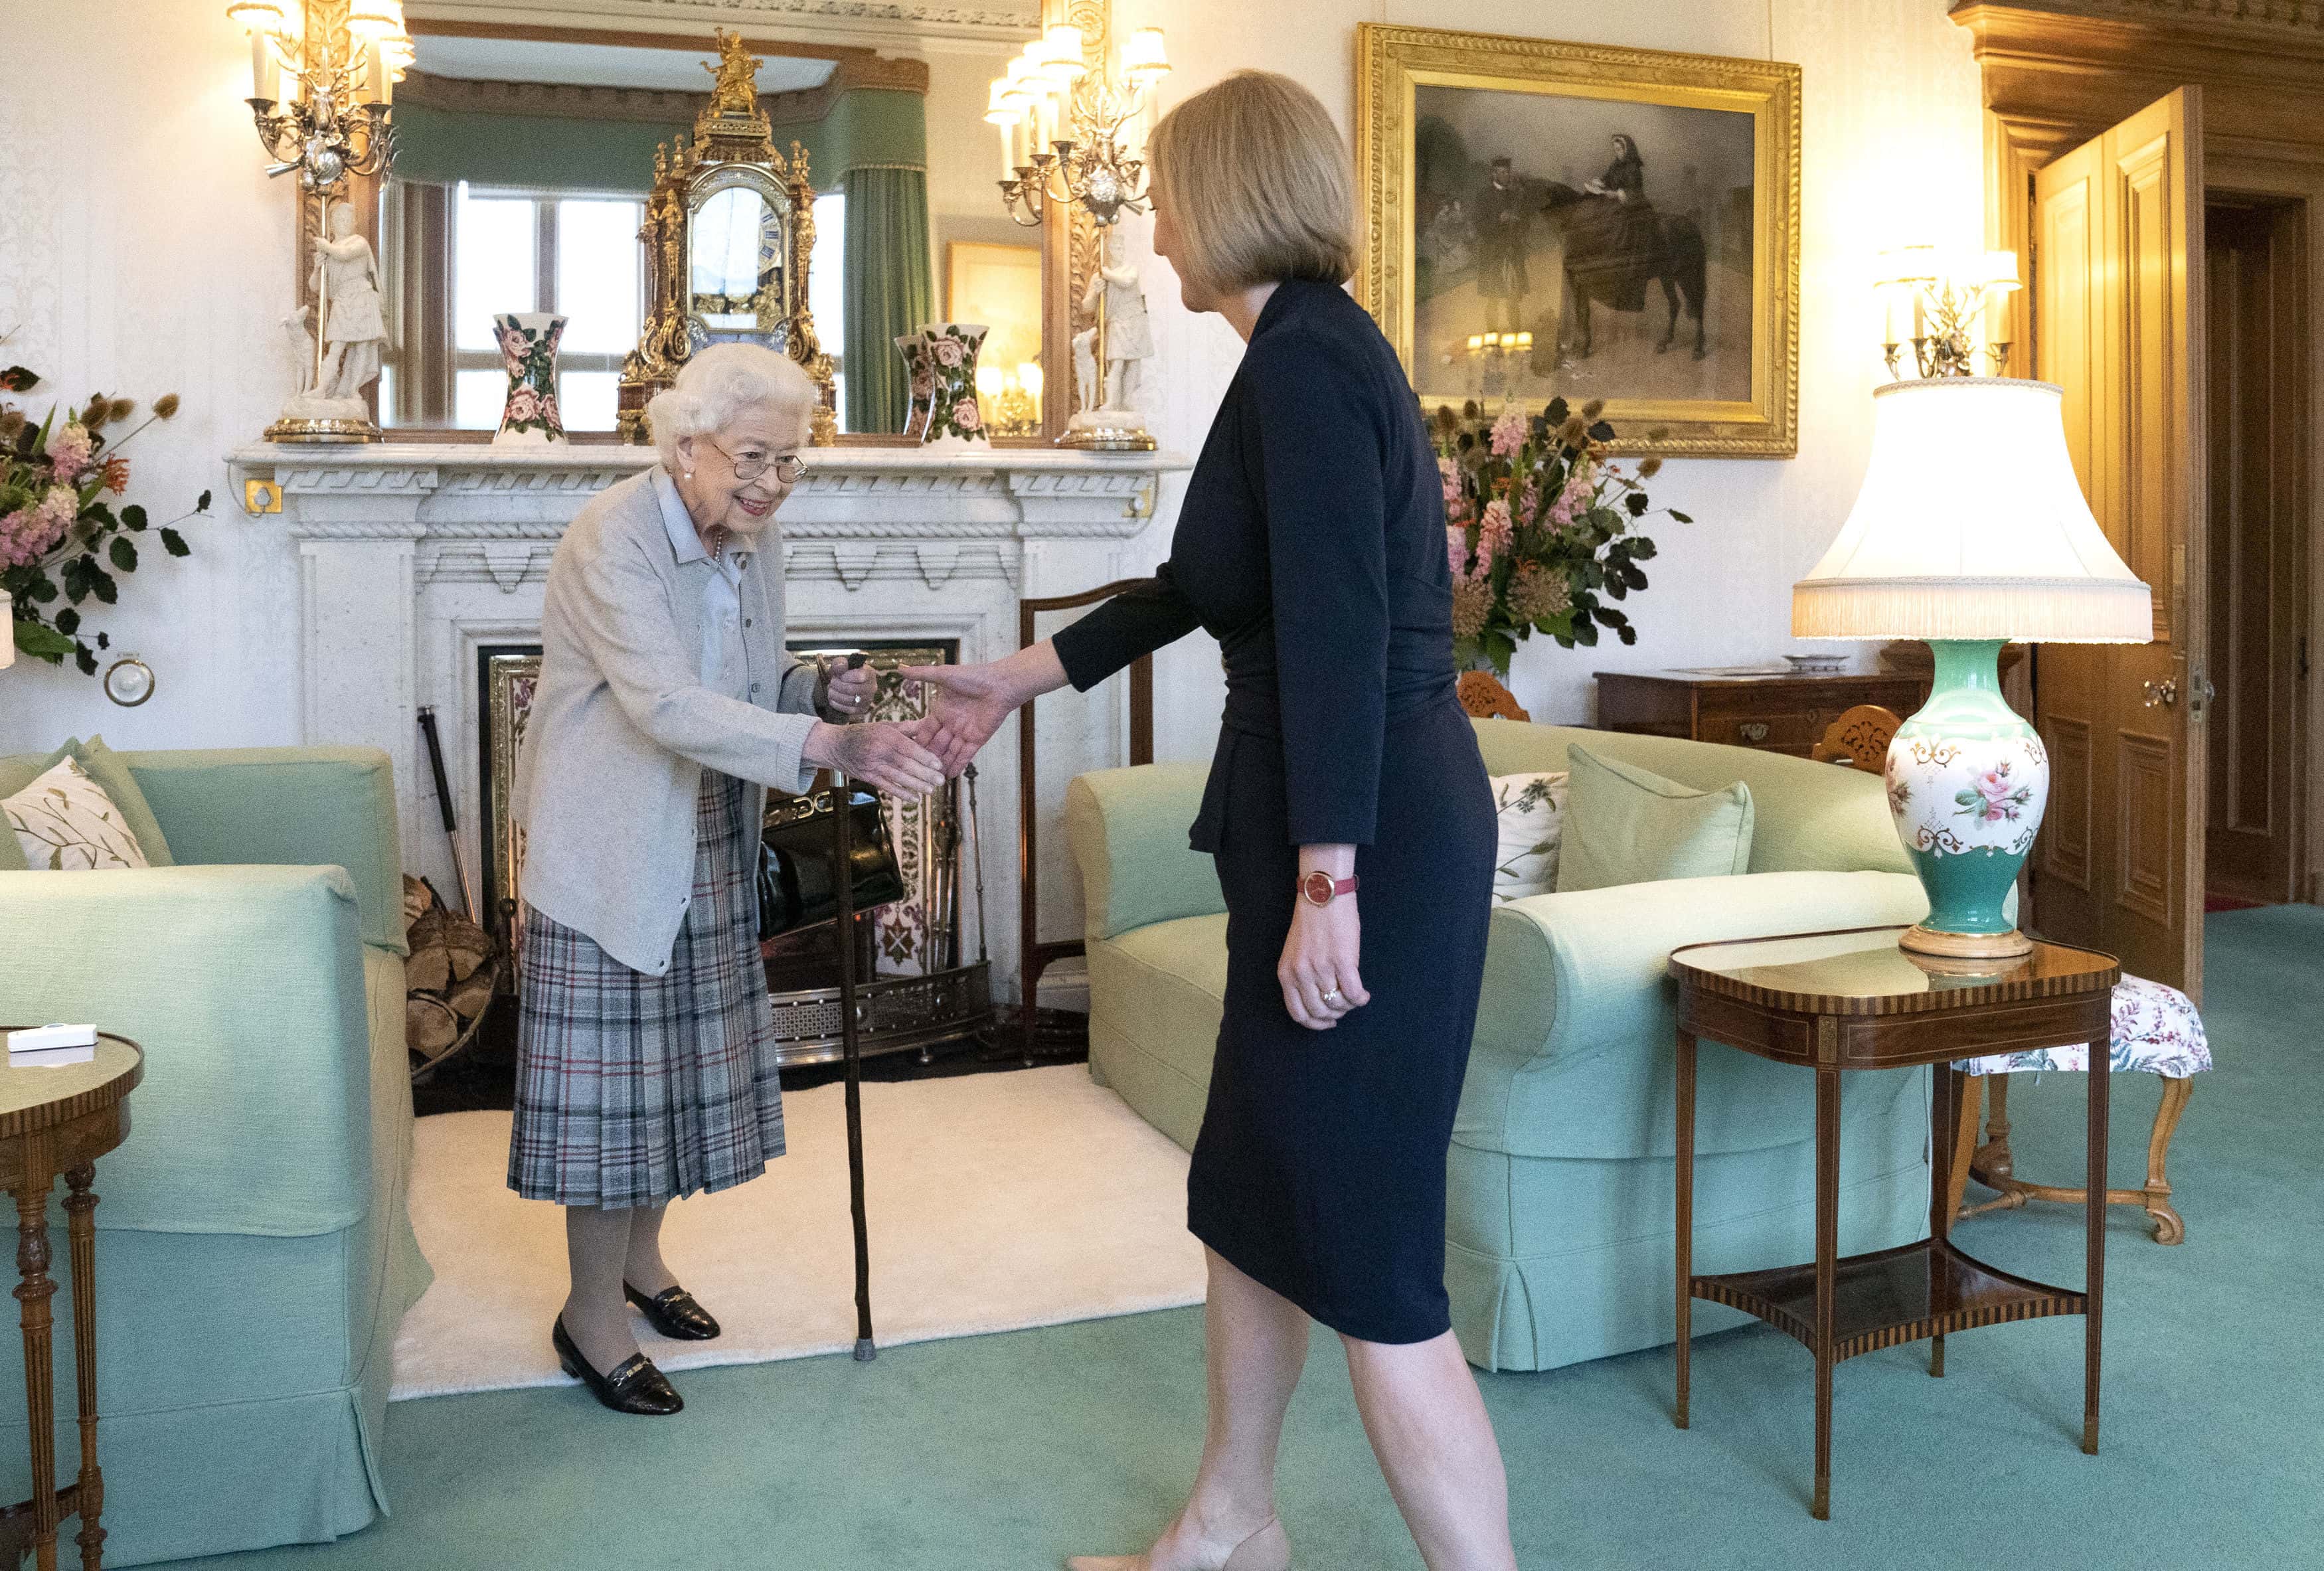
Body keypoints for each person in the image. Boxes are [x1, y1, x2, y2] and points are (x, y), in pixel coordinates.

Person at [906, 71, 1515, 1571]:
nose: (1153, 225)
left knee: (1374, 1260)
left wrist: (1330, 878)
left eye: (1167, 194)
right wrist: (1017, 676)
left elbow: (1338, 631)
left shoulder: (1308, 365)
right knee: (1249, 1195)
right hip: (1330, 822)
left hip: (1367, 835)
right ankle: (1228, 1531)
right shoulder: (1290, 357)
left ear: (1230, 196)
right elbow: (1203, 591)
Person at [508, 342, 946, 1416]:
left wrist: (826, 687)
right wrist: (826, 747)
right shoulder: (612, 537)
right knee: (613, 1100)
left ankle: (641, 1266)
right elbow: (662, 703)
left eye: (790, 463)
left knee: (675, 1079)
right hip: (611, 844)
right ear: (686, 444)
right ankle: (589, 1318)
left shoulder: (755, 543)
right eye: (755, 457)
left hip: (706, 829)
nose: (770, 484)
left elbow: (754, 680)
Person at [1475, 154, 1531, 335]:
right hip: (1493, 255)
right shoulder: (1484, 196)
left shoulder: (1516, 195)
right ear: (1494, 173)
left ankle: (1515, 334)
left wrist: (1519, 222)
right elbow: (1480, 227)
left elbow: (1526, 224)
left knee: (1513, 297)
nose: (1506, 175)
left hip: (1512, 252)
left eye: (1508, 172)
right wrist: (1499, 220)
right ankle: (1492, 336)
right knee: (1493, 297)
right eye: (1502, 172)